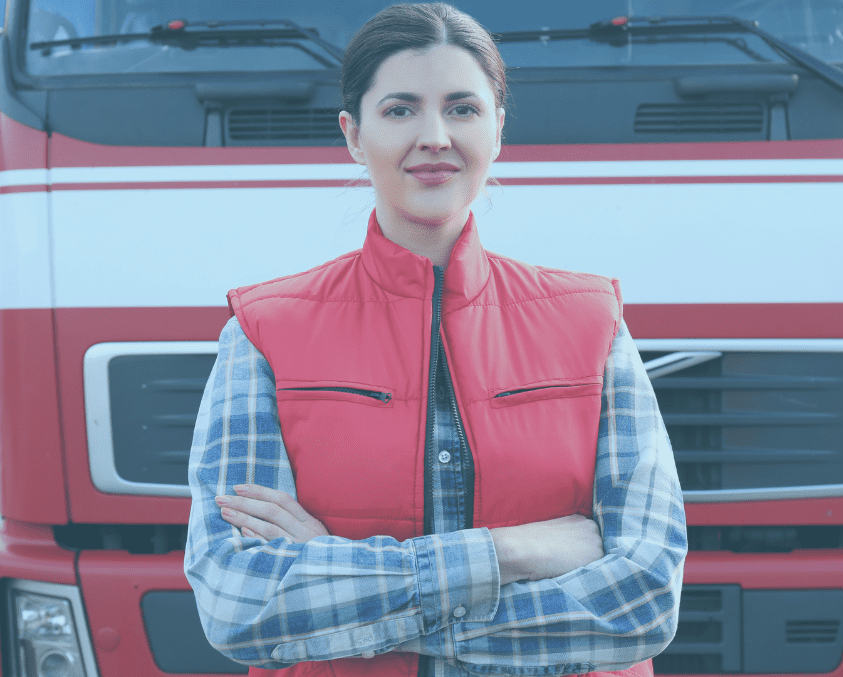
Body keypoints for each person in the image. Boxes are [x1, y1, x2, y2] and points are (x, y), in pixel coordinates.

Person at [184, 5, 687, 677]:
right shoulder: (262, 333)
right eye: (399, 110)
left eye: (461, 109)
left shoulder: (594, 324)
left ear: (498, 130)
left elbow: (642, 602)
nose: (434, 136)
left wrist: (340, 574)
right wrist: (512, 552)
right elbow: (238, 602)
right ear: (353, 135)